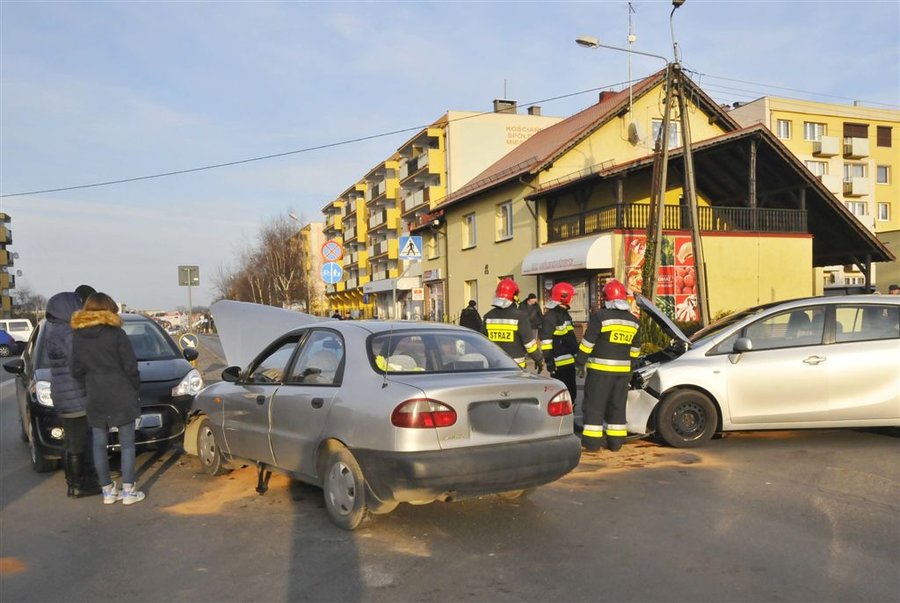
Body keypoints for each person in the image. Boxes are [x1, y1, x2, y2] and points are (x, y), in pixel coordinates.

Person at [70, 292, 145, 505]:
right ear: (110, 308)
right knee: (127, 444)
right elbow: (131, 366)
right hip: (121, 392)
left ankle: (107, 491)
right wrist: (134, 387)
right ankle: (128, 491)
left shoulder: (78, 336)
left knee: (99, 444)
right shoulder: (117, 334)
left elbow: (75, 370)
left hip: (96, 394)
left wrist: (89, 384)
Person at [45, 291, 101, 498]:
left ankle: (74, 483)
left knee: (71, 442)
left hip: (66, 394)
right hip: (74, 395)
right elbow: (80, 359)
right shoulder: (66, 331)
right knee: (77, 443)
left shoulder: (55, 329)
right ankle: (78, 485)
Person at [575, 279, 641, 453]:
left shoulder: (600, 317)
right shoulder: (634, 321)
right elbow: (635, 350)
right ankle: (616, 442)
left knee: (594, 406)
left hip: (600, 372)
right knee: (617, 406)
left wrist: (580, 362)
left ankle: (592, 443)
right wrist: (630, 365)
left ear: (606, 298)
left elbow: (588, 343)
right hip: (623, 373)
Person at [482, 278, 543, 372]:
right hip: (515, 368)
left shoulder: (488, 316)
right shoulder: (520, 316)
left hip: (494, 367)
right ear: (515, 296)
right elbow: (529, 345)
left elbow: (483, 342)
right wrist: (538, 359)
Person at [540, 282, 579, 409]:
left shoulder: (564, 314)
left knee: (571, 391)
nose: (573, 298)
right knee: (561, 393)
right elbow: (546, 342)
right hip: (558, 363)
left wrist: (577, 354)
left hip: (569, 362)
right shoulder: (550, 317)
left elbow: (570, 337)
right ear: (564, 297)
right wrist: (549, 361)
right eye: (571, 296)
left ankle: (571, 412)